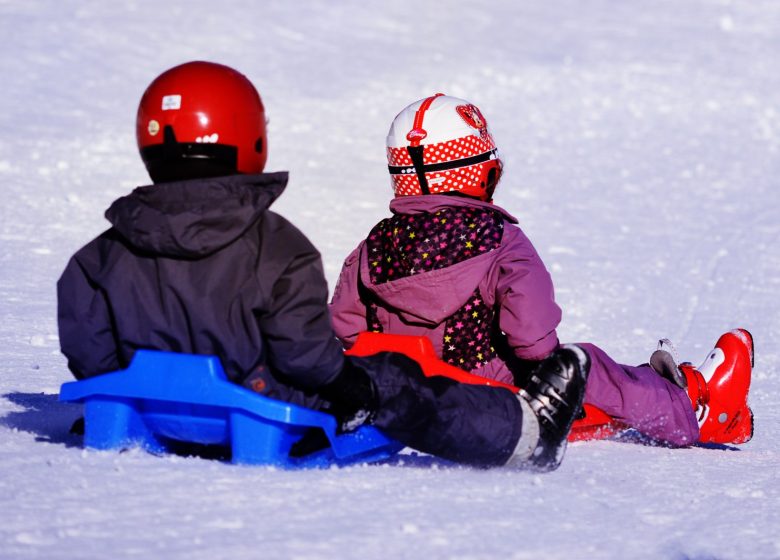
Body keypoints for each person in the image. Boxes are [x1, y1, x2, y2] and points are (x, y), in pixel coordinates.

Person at [57, 62, 590, 471]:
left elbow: (89, 353)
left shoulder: (97, 255)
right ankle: (526, 434)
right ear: (253, 141)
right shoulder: (275, 245)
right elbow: (306, 357)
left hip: (147, 408)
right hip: (260, 411)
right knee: (395, 380)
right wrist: (349, 386)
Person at [329, 93, 754, 448]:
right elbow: (533, 343)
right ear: (481, 172)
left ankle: (669, 386)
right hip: (490, 397)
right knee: (583, 363)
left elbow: (346, 330)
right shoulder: (498, 242)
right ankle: (697, 411)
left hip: (405, 392)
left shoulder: (372, 249)